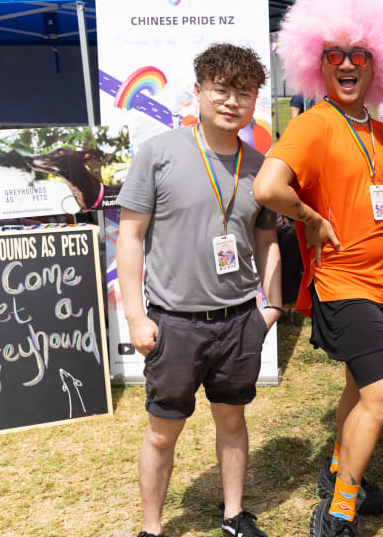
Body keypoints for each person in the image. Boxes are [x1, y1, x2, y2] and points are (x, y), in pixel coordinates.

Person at [252, 0, 383, 537]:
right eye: (334, 56)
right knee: (382, 391)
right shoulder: (314, 123)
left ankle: (336, 473)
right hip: (342, 281)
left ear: (381, 66)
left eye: (360, 55)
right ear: (316, 64)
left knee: (356, 386)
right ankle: (338, 513)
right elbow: (268, 187)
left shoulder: (381, 130)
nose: (347, 65)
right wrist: (312, 218)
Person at [116, 43, 282, 537]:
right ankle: (153, 527)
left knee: (232, 422)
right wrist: (135, 316)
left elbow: (267, 239)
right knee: (163, 433)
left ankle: (234, 514)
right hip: (174, 324)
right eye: (221, 90)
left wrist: (270, 307)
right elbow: (130, 235)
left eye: (244, 93)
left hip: (237, 322)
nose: (232, 102)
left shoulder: (261, 166)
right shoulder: (159, 153)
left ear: (256, 101)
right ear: (200, 91)